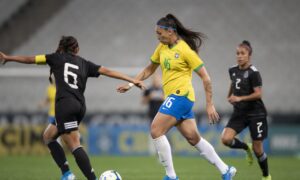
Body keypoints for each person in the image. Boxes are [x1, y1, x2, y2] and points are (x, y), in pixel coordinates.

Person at [0, 36, 145, 180]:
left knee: (74, 144)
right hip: (80, 106)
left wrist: (9, 58)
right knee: (48, 136)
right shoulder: (84, 63)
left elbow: (30, 59)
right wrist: (132, 79)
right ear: (76, 49)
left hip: (65, 105)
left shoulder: (55, 58)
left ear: (61, 48)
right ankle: (66, 173)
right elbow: (107, 71)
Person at [118, 14, 236, 180]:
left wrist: (209, 104)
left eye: (160, 33)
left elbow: (206, 77)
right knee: (193, 138)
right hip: (176, 98)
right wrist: (131, 83)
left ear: (170, 32)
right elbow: (148, 69)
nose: (157, 37)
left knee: (156, 130)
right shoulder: (161, 48)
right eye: (156, 33)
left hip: (181, 96)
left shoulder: (185, 50)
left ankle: (171, 176)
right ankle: (226, 170)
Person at [221, 40, 271, 180]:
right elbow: (233, 82)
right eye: (237, 53)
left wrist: (240, 98)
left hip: (256, 113)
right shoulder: (233, 70)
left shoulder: (254, 73)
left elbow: (258, 94)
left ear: (249, 55)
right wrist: (230, 95)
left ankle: (266, 176)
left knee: (258, 149)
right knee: (225, 139)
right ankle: (245, 147)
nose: (239, 56)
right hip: (240, 113)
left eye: (242, 53)